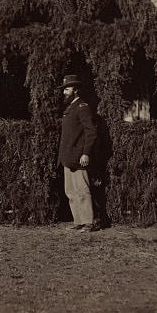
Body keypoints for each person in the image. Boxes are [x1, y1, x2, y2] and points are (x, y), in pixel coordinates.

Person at [57, 74, 97, 232]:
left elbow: (91, 132)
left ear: (76, 90)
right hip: (68, 157)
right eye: (64, 89)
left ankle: (88, 222)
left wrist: (86, 153)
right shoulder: (69, 108)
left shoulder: (82, 107)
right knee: (71, 191)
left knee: (82, 189)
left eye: (67, 89)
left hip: (79, 157)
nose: (64, 92)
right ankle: (78, 221)